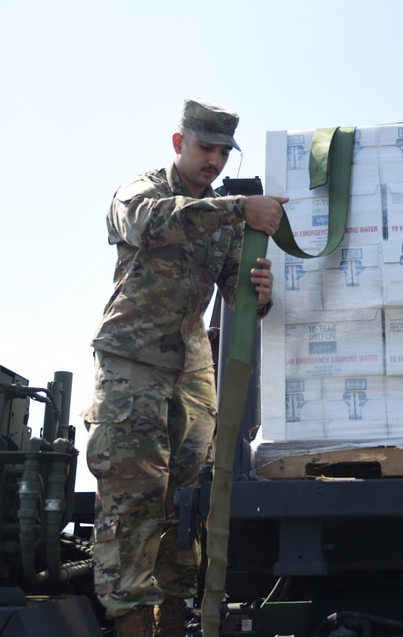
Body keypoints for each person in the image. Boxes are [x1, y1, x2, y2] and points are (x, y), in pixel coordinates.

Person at [83, 98, 289, 637]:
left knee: (185, 502)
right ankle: (131, 623)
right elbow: (148, 225)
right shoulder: (143, 191)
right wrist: (238, 210)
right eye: (206, 149)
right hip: (133, 359)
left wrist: (259, 294)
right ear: (179, 143)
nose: (215, 161)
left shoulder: (224, 220)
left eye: (223, 153)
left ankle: (173, 620)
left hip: (190, 367)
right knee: (133, 498)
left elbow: (235, 290)